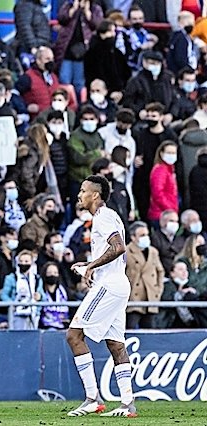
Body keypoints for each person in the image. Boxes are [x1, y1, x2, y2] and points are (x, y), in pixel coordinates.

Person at [67, 175, 136, 417]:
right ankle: (128, 403)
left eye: (83, 190)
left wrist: (91, 267)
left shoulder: (103, 217)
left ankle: (92, 398)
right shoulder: (110, 216)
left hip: (108, 285)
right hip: (118, 283)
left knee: (74, 335)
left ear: (95, 195)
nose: (79, 194)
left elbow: (118, 248)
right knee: (116, 344)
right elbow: (114, 251)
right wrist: (90, 264)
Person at [125, 221, 164, 329]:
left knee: (150, 329)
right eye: (142, 235)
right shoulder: (126, 252)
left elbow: (160, 271)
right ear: (133, 237)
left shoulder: (153, 252)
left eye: (146, 234)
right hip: (133, 297)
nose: (146, 237)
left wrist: (158, 289)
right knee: (130, 328)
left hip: (150, 295)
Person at [0, 249, 44, 330]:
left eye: (26, 261)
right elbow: (4, 294)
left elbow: (43, 297)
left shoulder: (37, 279)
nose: (23, 263)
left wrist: (39, 296)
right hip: (16, 314)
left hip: (33, 314)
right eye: (21, 261)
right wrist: (12, 304)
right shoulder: (11, 278)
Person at [148, 141, 179, 226]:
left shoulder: (169, 170)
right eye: (169, 152)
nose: (172, 155)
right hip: (161, 214)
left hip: (166, 213)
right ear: (161, 153)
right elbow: (158, 193)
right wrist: (170, 209)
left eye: (174, 153)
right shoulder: (160, 170)